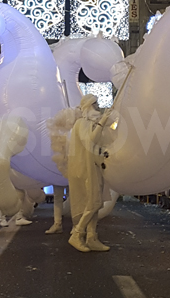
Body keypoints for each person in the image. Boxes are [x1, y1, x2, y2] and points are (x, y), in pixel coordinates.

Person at [67, 94, 112, 253]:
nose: (98, 107)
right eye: (95, 104)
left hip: (94, 166)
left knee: (95, 202)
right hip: (86, 169)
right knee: (94, 202)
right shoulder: (82, 123)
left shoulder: (89, 123)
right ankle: (78, 234)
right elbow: (90, 141)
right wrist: (102, 122)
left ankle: (92, 237)